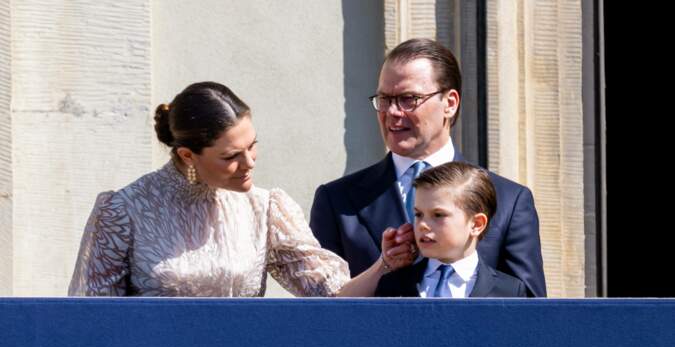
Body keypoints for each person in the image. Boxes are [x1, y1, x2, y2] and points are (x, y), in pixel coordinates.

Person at [68, 82, 414, 297]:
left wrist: (383, 264)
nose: (249, 162)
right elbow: (89, 320)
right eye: (231, 156)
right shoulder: (123, 211)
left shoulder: (264, 208)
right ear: (188, 155)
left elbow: (330, 296)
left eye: (253, 145)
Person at [310, 38, 546, 297]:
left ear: (450, 103)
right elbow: (322, 315)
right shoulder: (337, 201)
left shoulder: (509, 200)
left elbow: (530, 315)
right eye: (385, 99)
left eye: (409, 99)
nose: (393, 112)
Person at [375, 162, 527, 298]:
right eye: (418, 214)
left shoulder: (509, 291)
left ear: (476, 224)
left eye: (438, 215)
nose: (422, 225)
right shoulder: (393, 286)